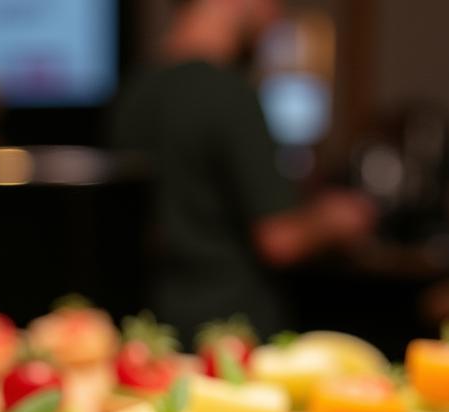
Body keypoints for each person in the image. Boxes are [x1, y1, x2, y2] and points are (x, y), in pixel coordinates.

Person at [112, 0, 375, 344]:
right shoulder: (230, 95)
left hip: (153, 331)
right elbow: (279, 240)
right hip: (233, 334)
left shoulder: (133, 94)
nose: (276, 17)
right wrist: (334, 219)